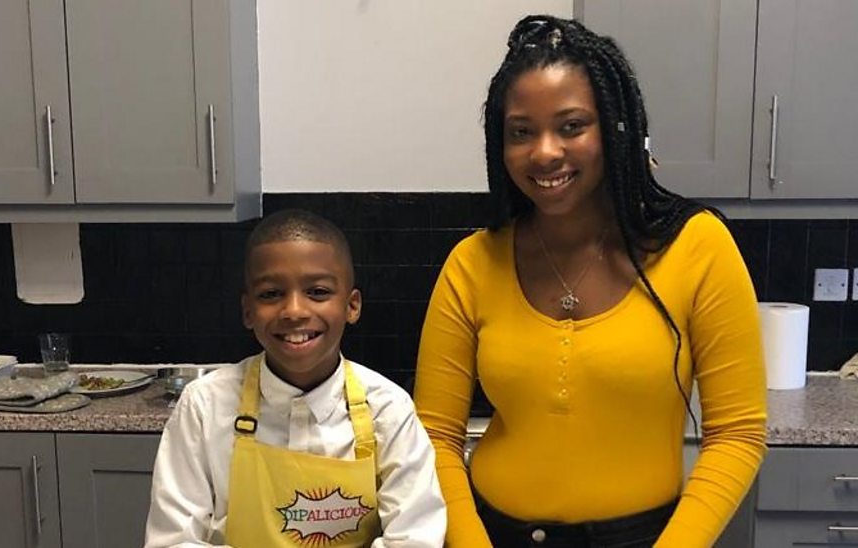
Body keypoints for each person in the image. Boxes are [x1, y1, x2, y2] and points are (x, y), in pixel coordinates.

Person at [412, 15, 766, 548]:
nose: (544, 152)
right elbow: (435, 434)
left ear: (615, 128)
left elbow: (737, 434)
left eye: (572, 126)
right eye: (521, 132)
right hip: (492, 533)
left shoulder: (697, 247)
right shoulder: (473, 263)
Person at [145, 208, 446, 547]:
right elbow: (173, 540)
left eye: (317, 291)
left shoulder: (388, 410)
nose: (294, 311)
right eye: (271, 294)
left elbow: (415, 537)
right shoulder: (204, 406)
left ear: (352, 306)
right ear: (248, 311)